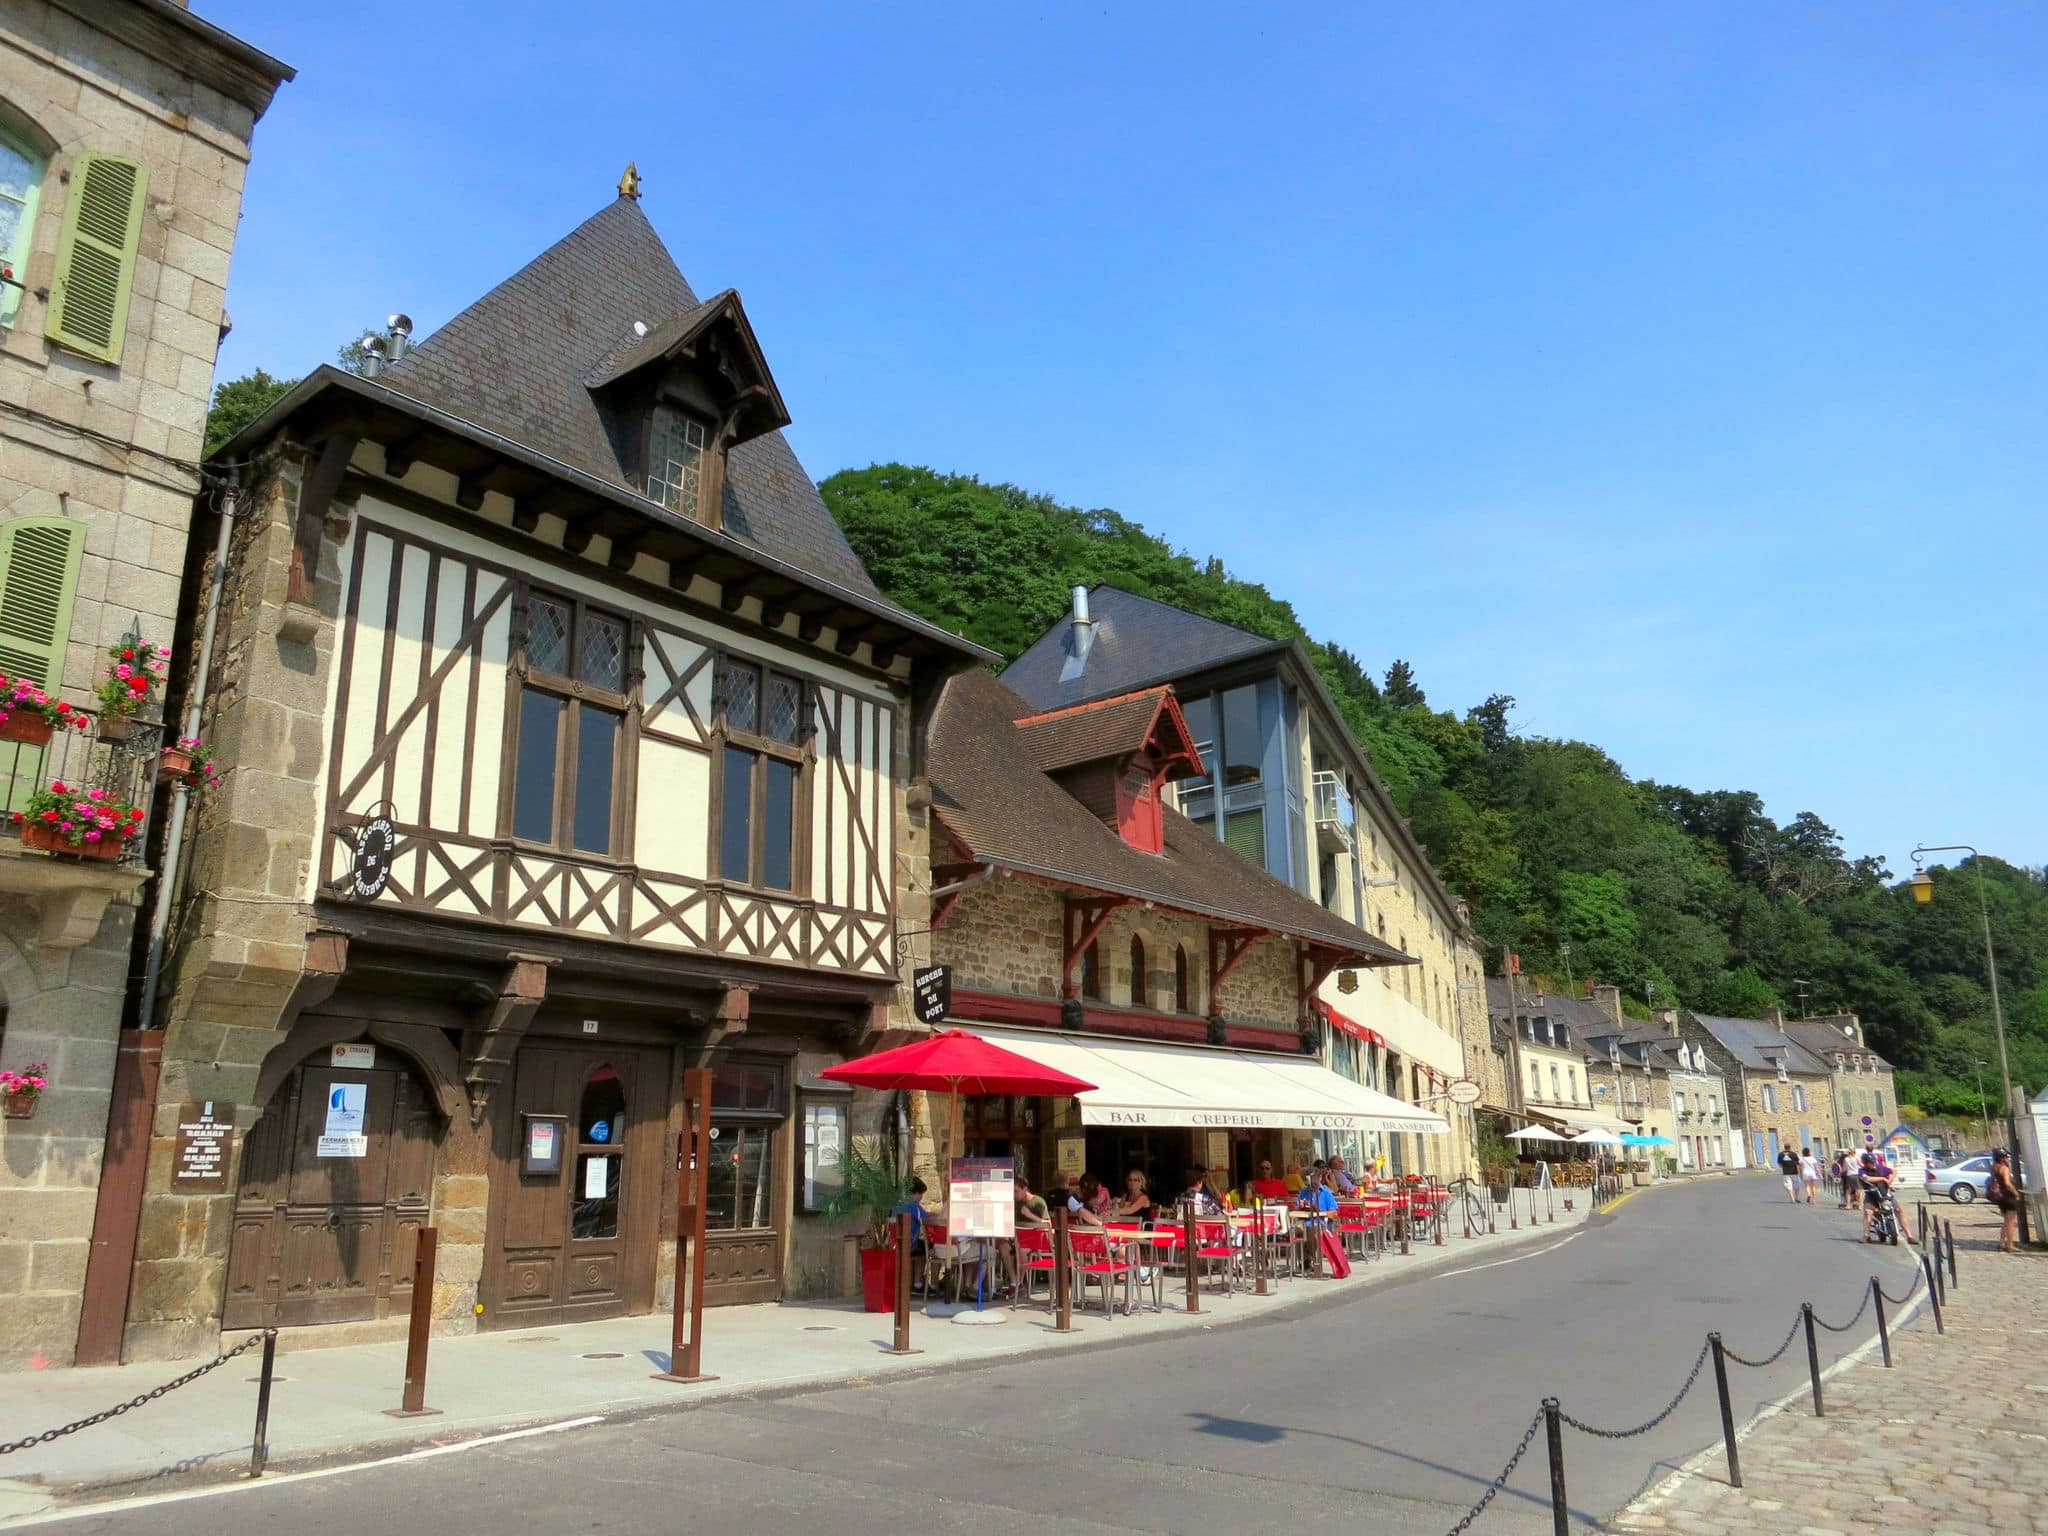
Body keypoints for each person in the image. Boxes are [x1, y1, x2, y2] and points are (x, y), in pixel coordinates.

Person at [1988, 1148, 2023, 1253]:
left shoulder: (1993, 1167)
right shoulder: (2004, 1168)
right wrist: (2016, 1193)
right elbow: (2007, 1183)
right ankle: (2009, 1245)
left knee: (2006, 1221)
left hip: (1999, 1197)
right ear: (2003, 1158)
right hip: (2008, 1197)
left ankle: (2002, 1243)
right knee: (2011, 1222)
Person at [1860, 1151, 1894, 1242]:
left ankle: (1908, 1235)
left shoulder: (1880, 1168)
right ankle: (1866, 1235)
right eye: (1869, 1162)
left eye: (1873, 1162)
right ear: (1865, 1163)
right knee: (1868, 1212)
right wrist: (1883, 1178)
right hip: (1871, 1194)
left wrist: (1890, 1180)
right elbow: (1866, 1178)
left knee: (1897, 1209)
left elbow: (1892, 1171)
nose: (1872, 1164)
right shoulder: (1862, 1170)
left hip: (1883, 1193)